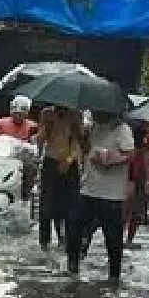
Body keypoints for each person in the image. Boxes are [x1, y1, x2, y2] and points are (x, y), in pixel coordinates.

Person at [67, 111, 133, 280]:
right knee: (74, 227)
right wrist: (79, 134)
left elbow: (130, 154)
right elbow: (87, 149)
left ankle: (114, 276)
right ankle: (72, 267)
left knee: (113, 239)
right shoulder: (93, 127)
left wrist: (110, 159)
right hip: (89, 189)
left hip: (112, 195)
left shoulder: (122, 129)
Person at [34, 106, 84, 251]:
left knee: (70, 204)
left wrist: (69, 160)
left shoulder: (75, 114)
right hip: (51, 161)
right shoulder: (46, 113)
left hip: (70, 163)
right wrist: (47, 126)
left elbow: (78, 141)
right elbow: (40, 140)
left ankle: (67, 239)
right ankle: (44, 241)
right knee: (46, 203)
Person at [125, 123, 149, 248]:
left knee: (134, 210)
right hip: (131, 175)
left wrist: (148, 179)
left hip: (135, 176)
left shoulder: (142, 148)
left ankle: (128, 238)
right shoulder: (141, 149)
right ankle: (127, 238)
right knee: (131, 210)